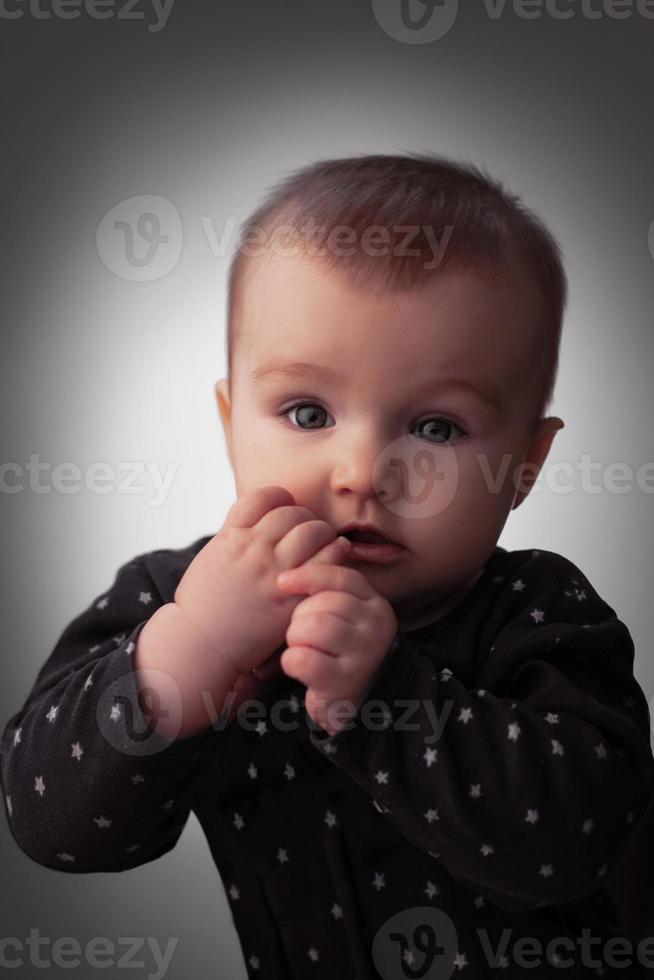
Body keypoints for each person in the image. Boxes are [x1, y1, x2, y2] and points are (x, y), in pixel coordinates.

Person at [2, 153, 653, 979]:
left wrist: (385, 691)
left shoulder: (540, 611)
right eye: (307, 412)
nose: (360, 472)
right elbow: (46, 823)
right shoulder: (173, 596)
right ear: (232, 422)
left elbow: (582, 841)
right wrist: (185, 656)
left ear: (526, 462)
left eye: (438, 429)